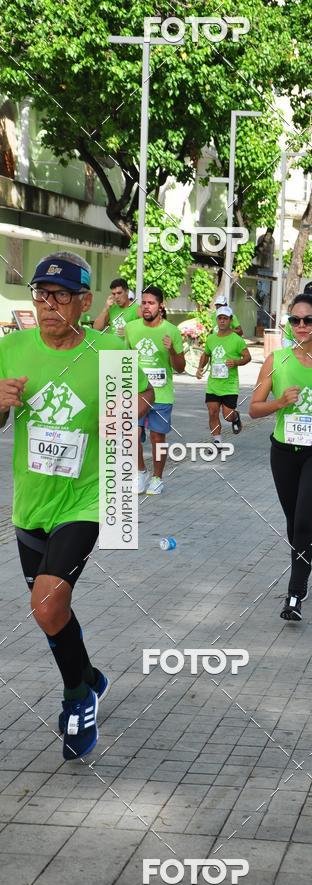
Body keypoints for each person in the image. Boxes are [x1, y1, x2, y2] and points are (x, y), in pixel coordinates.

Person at [0, 251, 153, 759]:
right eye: (40, 294)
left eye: (60, 296)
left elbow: (147, 400)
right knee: (52, 612)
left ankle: (76, 697)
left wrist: (128, 410)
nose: (47, 305)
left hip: (87, 499)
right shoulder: (12, 347)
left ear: (85, 302)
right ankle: (88, 673)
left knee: (45, 604)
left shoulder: (108, 350)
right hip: (31, 504)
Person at [249, 293, 312, 621]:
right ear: (289, 324)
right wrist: (279, 403)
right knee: (293, 522)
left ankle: (295, 591)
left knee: (305, 518)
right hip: (283, 452)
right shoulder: (275, 360)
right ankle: (301, 573)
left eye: (308, 320)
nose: (302, 325)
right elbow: (253, 408)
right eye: (295, 320)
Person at [125, 286, 185, 495]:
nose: (146, 307)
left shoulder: (172, 331)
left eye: (151, 303)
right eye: (144, 303)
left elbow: (180, 367)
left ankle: (157, 478)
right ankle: (140, 473)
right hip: (137, 393)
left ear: (161, 306)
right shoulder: (131, 328)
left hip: (161, 393)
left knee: (157, 438)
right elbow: (126, 359)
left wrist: (171, 350)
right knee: (132, 433)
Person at [196, 305, 251, 441]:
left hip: (229, 386)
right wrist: (199, 368)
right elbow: (206, 355)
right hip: (213, 384)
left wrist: (236, 362)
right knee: (212, 413)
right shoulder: (211, 339)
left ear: (230, 320)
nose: (222, 321)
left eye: (225, 319)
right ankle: (217, 441)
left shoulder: (237, 339)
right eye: (219, 318)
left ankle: (235, 417)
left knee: (227, 416)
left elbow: (247, 357)